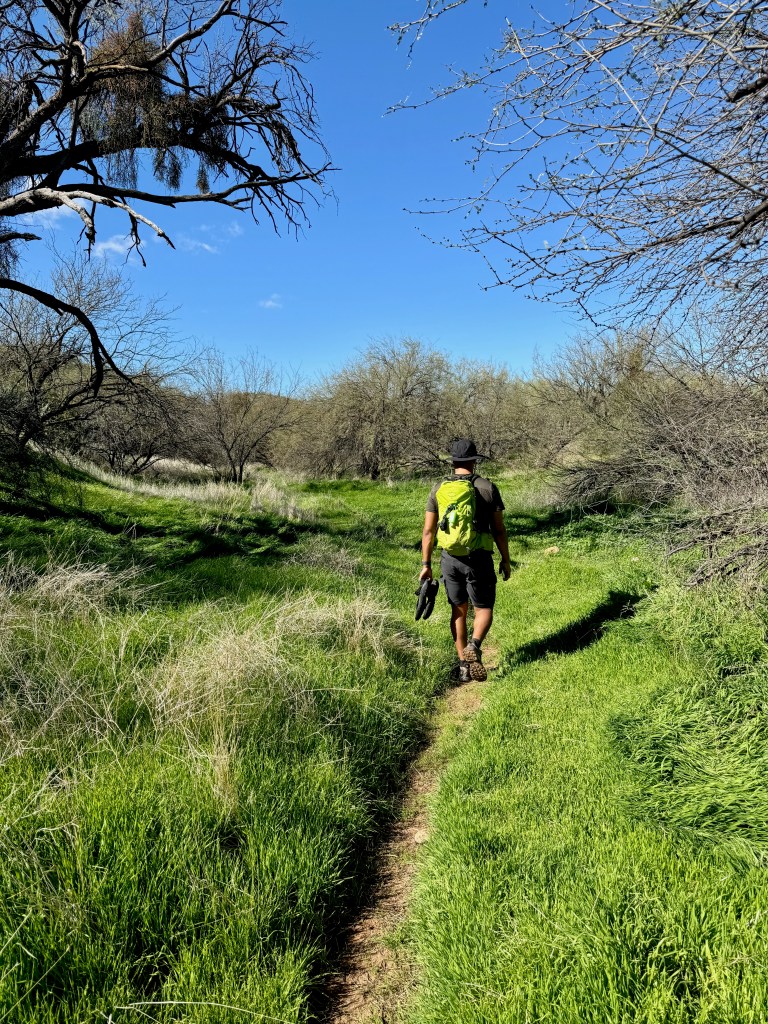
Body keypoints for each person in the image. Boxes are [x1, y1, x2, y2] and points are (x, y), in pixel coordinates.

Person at [419, 439, 512, 682]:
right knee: (483, 608)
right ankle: (475, 644)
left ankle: (463, 667)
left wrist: (426, 565)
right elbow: (499, 530)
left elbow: (428, 531)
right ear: (473, 460)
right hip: (479, 557)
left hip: (450, 558)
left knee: (458, 611)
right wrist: (505, 559)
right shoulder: (487, 487)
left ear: (453, 462)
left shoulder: (438, 489)